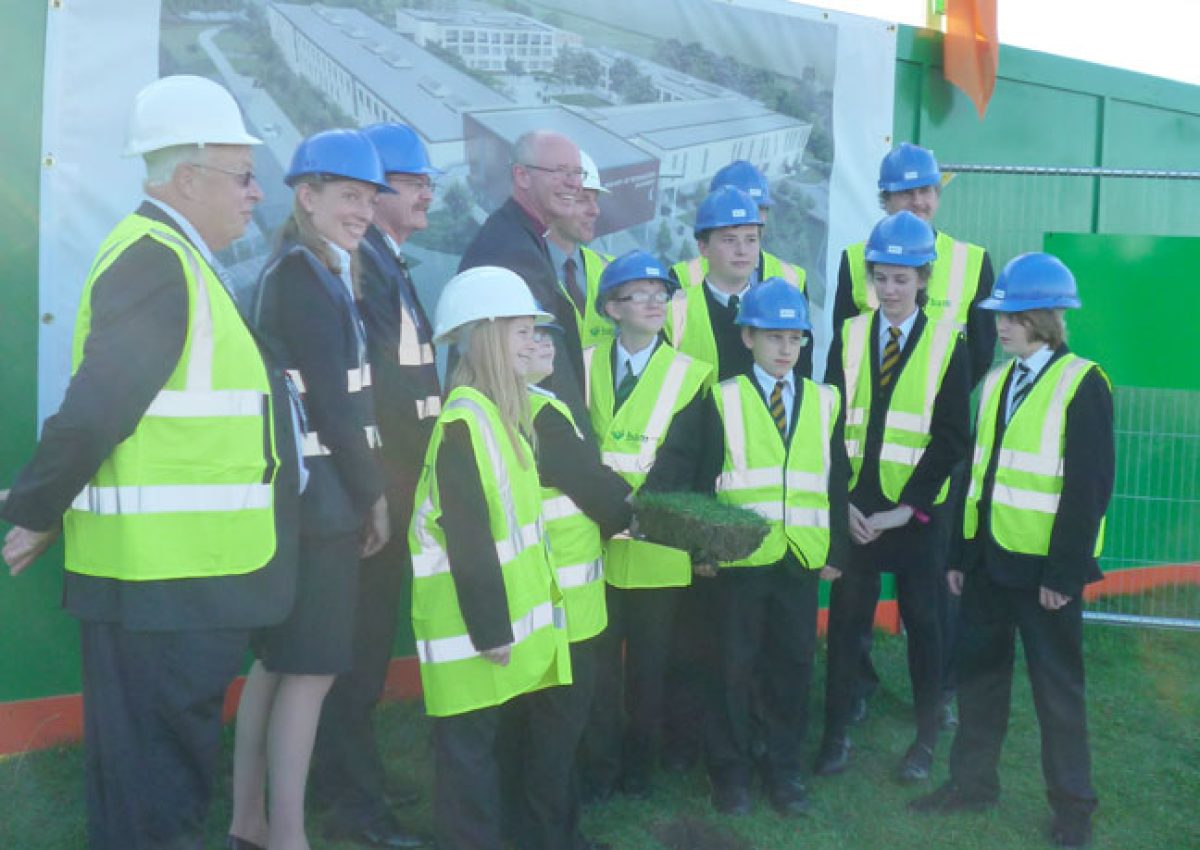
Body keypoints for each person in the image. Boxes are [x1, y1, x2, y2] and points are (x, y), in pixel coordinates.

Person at [0, 74, 299, 850]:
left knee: (156, 781)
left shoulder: (171, 257)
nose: (256, 193)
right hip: (164, 589)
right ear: (187, 177)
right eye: (242, 175)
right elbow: (100, 405)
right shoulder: (156, 261)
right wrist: (34, 510)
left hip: (175, 585)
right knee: (157, 792)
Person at [911, 253, 1114, 850]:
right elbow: (975, 478)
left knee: (1058, 693)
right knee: (980, 683)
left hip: (1044, 574)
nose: (999, 326)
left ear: (1046, 319)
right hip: (986, 567)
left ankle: (1073, 809)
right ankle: (971, 786)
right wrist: (957, 557)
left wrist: (1065, 572)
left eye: (1013, 316)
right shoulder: (998, 380)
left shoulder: (1084, 383)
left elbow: (1088, 488)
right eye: (999, 315)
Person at [229, 129, 392, 850]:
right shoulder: (303, 276)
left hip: (307, 500)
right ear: (307, 196)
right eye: (350, 196)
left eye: (368, 198)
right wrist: (375, 497)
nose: (363, 210)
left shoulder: (312, 269)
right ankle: (284, 836)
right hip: (320, 504)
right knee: (312, 670)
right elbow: (331, 401)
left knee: (278, 664)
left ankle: (251, 824)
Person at [829, 142, 997, 728]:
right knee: (855, 591)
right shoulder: (857, 262)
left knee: (930, 592)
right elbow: (842, 356)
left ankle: (939, 690)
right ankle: (857, 685)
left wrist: (929, 407)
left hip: (936, 449)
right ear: (884, 199)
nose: (919, 201)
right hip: (864, 455)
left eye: (927, 190)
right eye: (905, 192)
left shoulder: (973, 261)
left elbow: (977, 353)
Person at [670, 278, 848, 817]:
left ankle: (784, 772)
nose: (785, 348)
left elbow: (835, 479)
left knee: (791, 666)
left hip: (799, 559)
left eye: (794, 337)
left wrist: (837, 549)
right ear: (747, 337)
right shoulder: (720, 400)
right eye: (772, 337)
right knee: (731, 667)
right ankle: (730, 774)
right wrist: (702, 549)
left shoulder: (824, 400)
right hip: (739, 562)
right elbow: (701, 483)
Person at [409, 266, 572, 850]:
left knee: (485, 765)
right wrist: (491, 631)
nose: (534, 343)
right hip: (473, 635)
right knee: (467, 776)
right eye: (521, 330)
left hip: (493, 636)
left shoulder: (502, 418)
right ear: (484, 335)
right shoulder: (464, 424)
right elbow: (469, 539)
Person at [310, 122, 439, 849]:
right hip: (372, 497)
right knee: (354, 660)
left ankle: (346, 781)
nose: (426, 193)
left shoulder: (387, 265)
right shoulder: (364, 271)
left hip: (390, 492)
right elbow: (361, 400)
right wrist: (378, 495)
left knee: (360, 653)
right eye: (413, 181)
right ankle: (353, 806)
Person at [814, 211, 970, 783]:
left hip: (915, 518)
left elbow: (954, 437)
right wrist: (845, 504)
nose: (892, 288)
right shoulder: (852, 335)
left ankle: (925, 742)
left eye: (903, 277)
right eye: (882, 276)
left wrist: (909, 508)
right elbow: (829, 422)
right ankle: (834, 735)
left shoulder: (947, 342)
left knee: (924, 627)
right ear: (871, 278)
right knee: (846, 625)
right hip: (857, 513)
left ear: (923, 279)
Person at [578, 250, 711, 802]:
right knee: (599, 670)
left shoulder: (690, 375)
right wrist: (608, 511)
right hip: (593, 544)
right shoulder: (582, 365)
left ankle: (640, 770)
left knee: (650, 671)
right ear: (612, 307)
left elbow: (689, 464)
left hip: (658, 547)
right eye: (641, 293)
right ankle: (601, 769)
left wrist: (636, 511)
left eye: (663, 293)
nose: (657, 301)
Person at [498, 325, 633, 850]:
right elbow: (594, 488)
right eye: (528, 337)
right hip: (564, 601)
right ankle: (556, 838)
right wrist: (631, 511)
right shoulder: (542, 416)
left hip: (527, 598)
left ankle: (521, 827)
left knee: (524, 727)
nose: (545, 345)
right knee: (557, 732)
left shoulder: (497, 407)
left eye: (549, 336)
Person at [458, 130, 592, 430]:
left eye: (577, 172)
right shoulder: (512, 251)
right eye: (560, 172)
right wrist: (580, 450)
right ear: (522, 176)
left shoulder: (525, 238)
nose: (574, 183)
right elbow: (540, 373)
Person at [667, 185, 814, 383]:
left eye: (751, 240)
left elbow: (799, 387)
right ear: (703, 247)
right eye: (729, 240)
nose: (742, 250)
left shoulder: (780, 310)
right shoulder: (672, 313)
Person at [701, 159, 808, 290]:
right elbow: (676, 310)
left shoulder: (792, 279)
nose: (752, 219)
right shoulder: (684, 278)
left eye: (759, 209)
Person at [547, 149, 614, 351]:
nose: (595, 210)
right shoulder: (523, 274)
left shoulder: (610, 269)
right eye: (583, 199)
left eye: (596, 200)